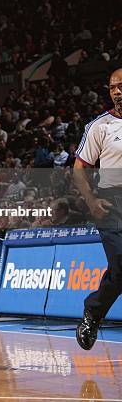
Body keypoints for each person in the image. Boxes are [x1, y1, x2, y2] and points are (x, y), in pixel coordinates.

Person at [74, 68, 122, 350]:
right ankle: (94, 311)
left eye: (121, 86)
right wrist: (92, 201)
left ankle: (93, 310)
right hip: (111, 202)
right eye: (113, 87)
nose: (117, 91)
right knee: (121, 262)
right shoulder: (99, 127)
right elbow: (79, 168)